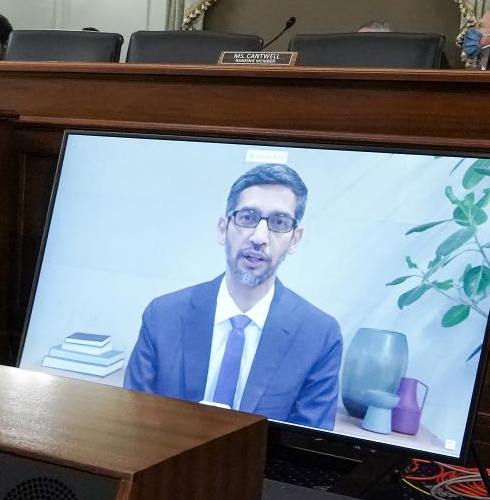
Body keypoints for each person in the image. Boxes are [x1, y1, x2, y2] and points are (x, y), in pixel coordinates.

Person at [124, 163, 342, 430]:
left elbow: (307, 450)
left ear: (295, 239)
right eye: (248, 217)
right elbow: (132, 423)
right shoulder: (163, 315)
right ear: (223, 228)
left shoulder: (319, 335)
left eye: (279, 223)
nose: (259, 237)